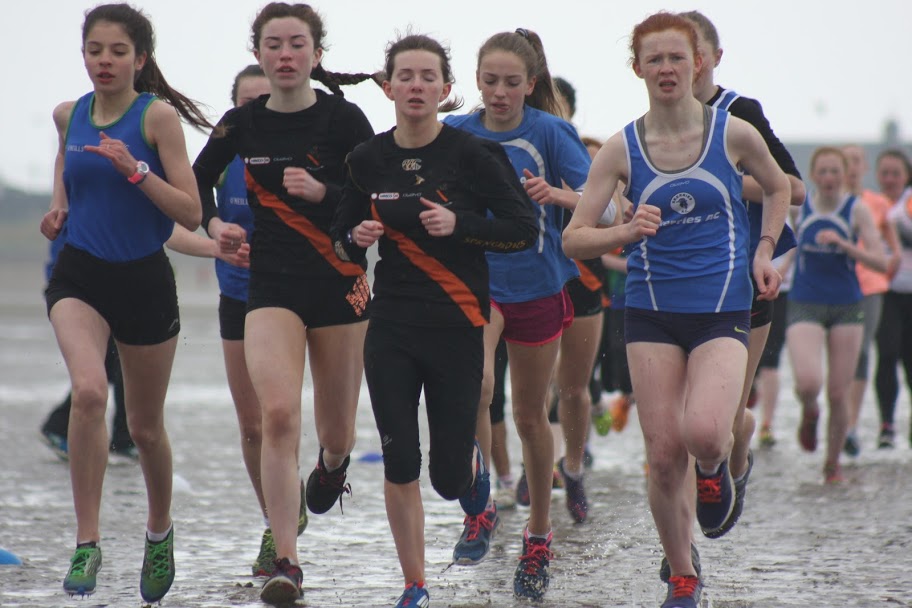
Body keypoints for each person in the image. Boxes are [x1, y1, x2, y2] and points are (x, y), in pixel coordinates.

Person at [562, 12, 790, 608]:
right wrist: (625, 232)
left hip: (720, 308)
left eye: (676, 57)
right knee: (663, 457)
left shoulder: (733, 133)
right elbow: (574, 238)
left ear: (698, 63)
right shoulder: (621, 148)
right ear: (638, 68)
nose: (666, 68)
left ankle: (714, 471)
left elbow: (781, 186)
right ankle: (683, 576)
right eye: (654, 59)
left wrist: (765, 250)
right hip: (651, 312)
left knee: (706, 433)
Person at [331, 34, 537, 608]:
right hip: (391, 325)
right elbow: (340, 240)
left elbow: (523, 230)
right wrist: (355, 236)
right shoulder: (366, 159)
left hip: (457, 323)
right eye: (406, 76)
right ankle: (414, 586)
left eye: (428, 77)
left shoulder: (473, 155)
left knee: (447, 479)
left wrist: (461, 224)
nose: (416, 86)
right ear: (388, 87)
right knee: (400, 460)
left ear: (446, 89)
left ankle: (471, 469)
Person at [191, 3, 378, 604]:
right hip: (271, 286)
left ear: (317, 54)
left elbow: (377, 193)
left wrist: (324, 191)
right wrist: (215, 224)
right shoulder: (241, 123)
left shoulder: (344, 118)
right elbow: (196, 180)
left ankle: (332, 465)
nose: (286, 55)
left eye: (297, 44)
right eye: (273, 45)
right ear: (259, 54)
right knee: (276, 415)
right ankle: (286, 561)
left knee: (337, 431)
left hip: (338, 281)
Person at [40, 3, 211, 602]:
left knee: (144, 428)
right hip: (80, 274)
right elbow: (65, 160)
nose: (104, 61)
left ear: (140, 59)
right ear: (83, 55)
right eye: (95, 50)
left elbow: (191, 211)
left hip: (144, 279)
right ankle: (87, 542)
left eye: (117, 51)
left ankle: (158, 532)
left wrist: (135, 169)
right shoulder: (69, 114)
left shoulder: (156, 118)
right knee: (89, 392)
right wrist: (59, 206)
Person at [443, 28, 594, 600]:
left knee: (531, 416)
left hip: (536, 283)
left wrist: (557, 195)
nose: (500, 92)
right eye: (490, 81)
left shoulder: (551, 131)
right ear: (476, 82)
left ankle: (538, 536)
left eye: (511, 82)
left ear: (531, 84)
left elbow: (602, 203)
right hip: (476, 283)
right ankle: (480, 505)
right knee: (478, 388)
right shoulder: (457, 132)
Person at [165, 64, 312, 577]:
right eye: (246, 102)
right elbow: (180, 218)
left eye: (264, 99)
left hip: (298, 297)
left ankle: (290, 510)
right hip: (239, 297)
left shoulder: (300, 151)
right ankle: (275, 522)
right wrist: (216, 240)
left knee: (283, 417)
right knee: (253, 426)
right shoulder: (222, 159)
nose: (257, 110)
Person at [680, 9, 806, 544]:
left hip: (743, 275)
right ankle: (680, 544)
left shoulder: (740, 112)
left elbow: (794, 189)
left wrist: (725, 179)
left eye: (693, 52)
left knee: (722, 415)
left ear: (713, 58)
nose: (682, 64)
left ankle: (739, 445)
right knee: (679, 421)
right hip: (679, 277)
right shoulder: (657, 122)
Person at [787, 147, 888, 481]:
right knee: (808, 382)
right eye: (823, 171)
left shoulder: (856, 210)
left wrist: (845, 245)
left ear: (845, 175)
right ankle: (809, 411)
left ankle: (832, 464)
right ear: (813, 175)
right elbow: (789, 247)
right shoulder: (800, 207)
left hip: (847, 305)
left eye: (835, 171)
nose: (829, 178)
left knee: (838, 392)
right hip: (805, 301)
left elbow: (880, 262)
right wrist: (776, 272)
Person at [40, 226, 137, 462]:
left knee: (109, 366)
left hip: (108, 290)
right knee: (116, 364)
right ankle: (122, 438)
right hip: (81, 292)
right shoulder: (78, 213)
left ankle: (61, 425)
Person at [841, 144, 901, 455]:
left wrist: (890, 267)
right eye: (846, 161)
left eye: (856, 161)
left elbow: (893, 245)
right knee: (840, 356)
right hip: (837, 287)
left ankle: (851, 426)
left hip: (870, 288)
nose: (851, 167)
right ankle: (838, 417)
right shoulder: (831, 202)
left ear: (864, 167)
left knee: (862, 352)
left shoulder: (877, 203)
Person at [872, 149, 912, 448]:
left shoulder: (908, 204)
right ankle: (887, 424)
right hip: (884, 291)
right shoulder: (871, 205)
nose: (889, 179)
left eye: (895, 173)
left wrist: (894, 227)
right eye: (884, 173)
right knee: (886, 354)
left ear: (906, 176)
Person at [754, 244, 795, 448]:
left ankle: (767, 424)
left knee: (771, 357)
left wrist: (785, 265)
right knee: (744, 355)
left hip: (780, 288)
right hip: (744, 281)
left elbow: (797, 235)